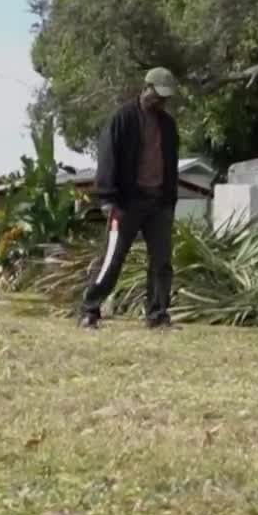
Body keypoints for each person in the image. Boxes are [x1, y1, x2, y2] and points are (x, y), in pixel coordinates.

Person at [78, 67, 180, 330]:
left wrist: (169, 201)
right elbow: (107, 158)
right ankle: (89, 310)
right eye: (158, 95)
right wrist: (107, 198)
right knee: (112, 258)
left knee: (162, 262)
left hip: (159, 203)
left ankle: (157, 315)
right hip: (126, 202)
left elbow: (171, 164)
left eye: (165, 98)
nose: (161, 101)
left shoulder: (168, 126)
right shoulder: (122, 118)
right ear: (146, 88)